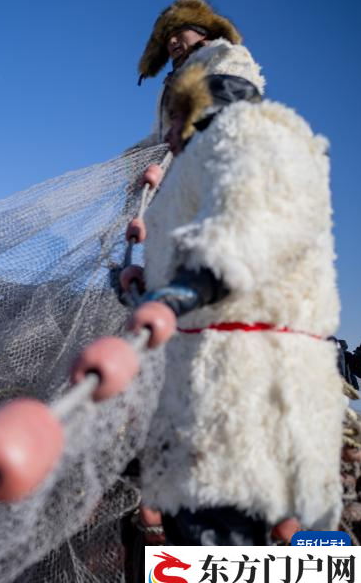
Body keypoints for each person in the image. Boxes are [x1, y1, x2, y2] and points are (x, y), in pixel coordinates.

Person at [135, 64, 342, 558]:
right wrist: (146, 285)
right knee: (269, 524)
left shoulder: (237, 134)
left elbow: (240, 236)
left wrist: (174, 296)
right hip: (260, 377)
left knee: (211, 543)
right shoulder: (237, 154)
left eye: (173, 120)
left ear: (192, 113)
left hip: (234, 386)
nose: (165, 135)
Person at [134, 0, 264, 147]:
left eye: (178, 32)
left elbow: (230, 104)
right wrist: (135, 155)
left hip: (221, 151)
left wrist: (184, 133)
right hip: (181, 164)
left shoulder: (224, 53)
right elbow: (163, 134)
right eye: (167, 39)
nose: (171, 41)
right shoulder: (169, 82)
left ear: (202, 32)